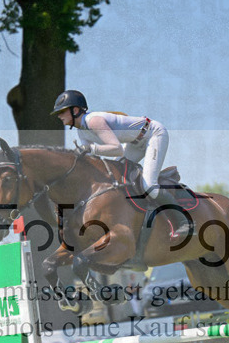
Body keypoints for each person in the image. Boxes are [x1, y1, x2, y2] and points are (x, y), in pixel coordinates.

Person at [50, 89, 189, 237]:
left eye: (62, 111)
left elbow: (117, 149)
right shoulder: (81, 131)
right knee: (113, 178)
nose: (59, 116)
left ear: (75, 110)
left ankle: (185, 222)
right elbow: (90, 159)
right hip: (135, 143)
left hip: (153, 135)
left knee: (149, 185)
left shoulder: (93, 121)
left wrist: (90, 148)